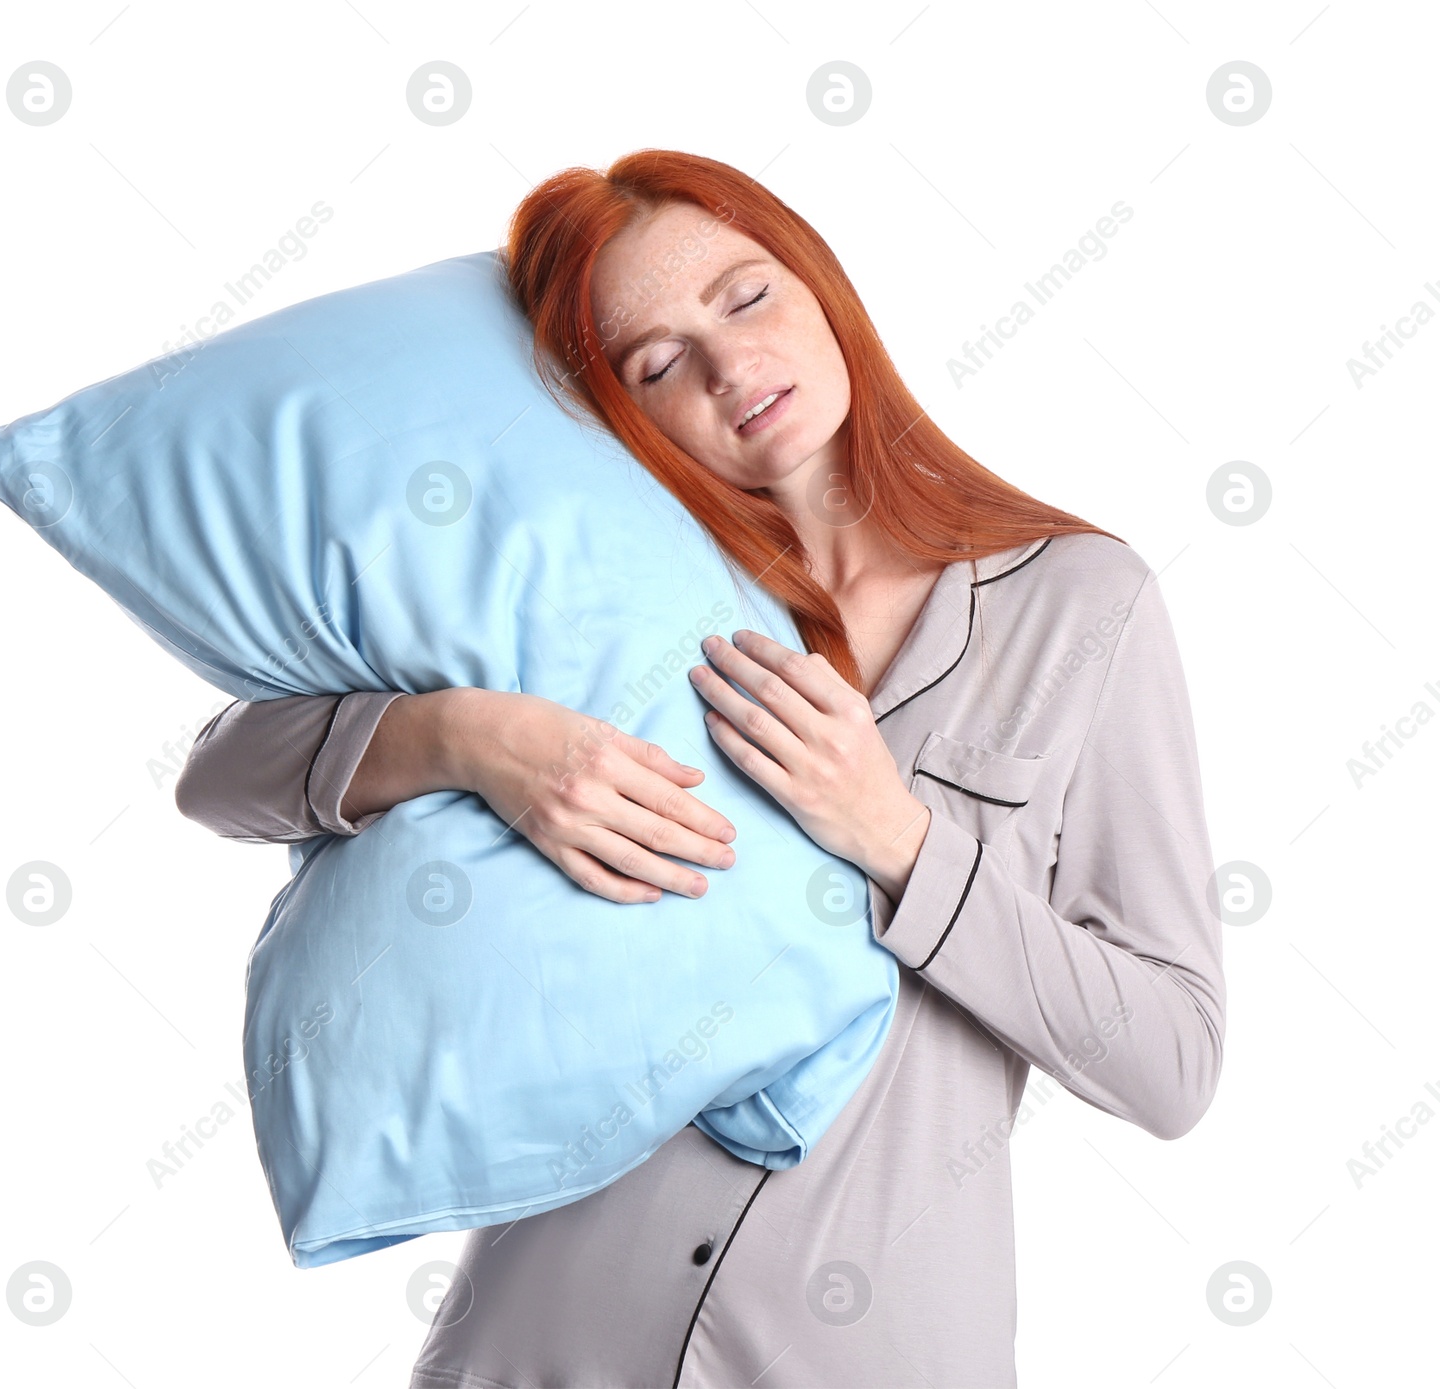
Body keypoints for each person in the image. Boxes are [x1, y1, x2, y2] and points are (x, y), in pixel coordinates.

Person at [174, 149, 1226, 1389]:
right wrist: (470, 739)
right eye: (657, 363)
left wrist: (900, 844)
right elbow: (222, 774)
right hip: (539, 1343)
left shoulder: (1076, 608)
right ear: (621, 410)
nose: (731, 369)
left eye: (743, 297)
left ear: (818, 284)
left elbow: (1169, 1060)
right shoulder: (593, 594)